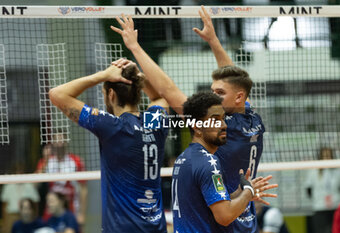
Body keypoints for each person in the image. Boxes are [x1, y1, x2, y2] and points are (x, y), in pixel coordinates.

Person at [111, 6, 265, 232]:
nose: (214, 97)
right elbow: (233, 81)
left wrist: (135, 47)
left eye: (219, 94)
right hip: (245, 218)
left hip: (229, 219)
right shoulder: (252, 119)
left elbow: (167, 89)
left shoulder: (218, 126)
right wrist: (213, 40)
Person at [49, 60, 169, 232]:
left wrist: (102, 75)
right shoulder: (155, 122)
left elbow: (57, 94)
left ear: (111, 94)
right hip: (156, 227)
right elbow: (160, 97)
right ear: (139, 93)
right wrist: (138, 77)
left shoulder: (112, 126)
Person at [171, 92, 277, 232]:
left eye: (223, 118)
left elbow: (202, 203)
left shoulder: (184, 158)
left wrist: (238, 194)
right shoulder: (208, 162)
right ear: (197, 127)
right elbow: (225, 216)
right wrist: (248, 192)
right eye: (215, 120)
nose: (224, 125)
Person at [36, 134, 88, 227]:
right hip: (52, 207)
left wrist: (82, 214)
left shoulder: (76, 161)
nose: (59, 142)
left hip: (72, 207)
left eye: (62, 139)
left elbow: (83, 189)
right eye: (56, 140)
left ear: (66, 141)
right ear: (52, 143)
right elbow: (36, 183)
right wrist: (46, 160)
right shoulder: (47, 161)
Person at [305, 147, 340, 233]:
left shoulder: (338, 171)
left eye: (329, 155)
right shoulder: (313, 171)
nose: (327, 157)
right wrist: (318, 199)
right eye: (325, 155)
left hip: (335, 207)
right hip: (319, 207)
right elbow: (308, 190)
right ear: (320, 156)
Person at [1, 165, 40, 233]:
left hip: (28, 215)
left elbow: (35, 203)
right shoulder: (8, 186)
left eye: (21, 171)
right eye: (17, 171)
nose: (19, 173)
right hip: (12, 215)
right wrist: (5, 220)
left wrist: (34, 217)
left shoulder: (29, 186)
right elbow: (4, 204)